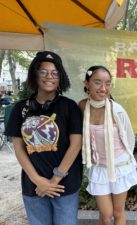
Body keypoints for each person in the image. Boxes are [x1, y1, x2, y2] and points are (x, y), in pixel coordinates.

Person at [5, 51, 83, 225]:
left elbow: (76, 144)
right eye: (43, 72)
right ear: (35, 74)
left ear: (61, 77)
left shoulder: (69, 106)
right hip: (34, 186)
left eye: (55, 73)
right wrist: (38, 180)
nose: (50, 76)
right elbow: (18, 148)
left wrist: (54, 180)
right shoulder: (20, 109)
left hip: (64, 185)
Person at [79, 66, 137, 225]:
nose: (103, 88)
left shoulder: (117, 110)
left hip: (120, 167)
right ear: (87, 83)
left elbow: (129, 138)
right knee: (106, 214)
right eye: (97, 82)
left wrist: (124, 161)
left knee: (118, 213)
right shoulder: (82, 107)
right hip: (99, 168)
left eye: (108, 83)